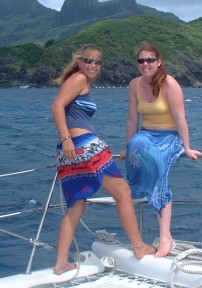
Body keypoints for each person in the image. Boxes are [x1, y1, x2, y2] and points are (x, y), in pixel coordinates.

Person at [51, 44, 156, 275]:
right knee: (123, 192)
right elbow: (57, 106)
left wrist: (67, 141)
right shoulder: (78, 79)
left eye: (98, 62)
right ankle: (139, 247)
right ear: (79, 62)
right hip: (84, 147)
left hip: (71, 152)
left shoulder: (81, 82)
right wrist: (67, 137)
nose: (93, 66)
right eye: (89, 60)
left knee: (76, 206)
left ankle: (61, 264)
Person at [120, 43, 201, 257]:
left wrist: (187, 147)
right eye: (141, 61)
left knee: (155, 163)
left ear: (159, 62)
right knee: (138, 148)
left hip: (169, 136)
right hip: (146, 134)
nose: (145, 64)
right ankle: (150, 202)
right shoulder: (133, 85)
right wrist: (128, 147)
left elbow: (180, 118)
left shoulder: (169, 84)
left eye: (149, 60)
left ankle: (166, 236)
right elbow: (132, 119)